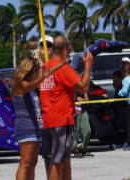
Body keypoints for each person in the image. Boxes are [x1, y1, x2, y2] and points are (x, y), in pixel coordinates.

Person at [38, 35, 93, 180]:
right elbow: (83, 87)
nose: (69, 53)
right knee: (57, 161)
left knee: (62, 159)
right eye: (69, 50)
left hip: (48, 120)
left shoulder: (45, 68)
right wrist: (88, 65)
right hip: (61, 120)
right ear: (64, 50)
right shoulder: (63, 68)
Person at [11, 57, 66, 180]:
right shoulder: (21, 84)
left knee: (33, 162)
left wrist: (61, 64)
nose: (38, 72)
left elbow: (47, 72)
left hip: (35, 127)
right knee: (25, 163)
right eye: (37, 69)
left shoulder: (29, 85)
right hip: (26, 127)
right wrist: (44, 77)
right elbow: (30, 85)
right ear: (31, 70)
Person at [110, 57, 130, 150]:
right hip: (119, 101)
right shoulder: (117, 74)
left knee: (128, 121)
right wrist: (123, 77)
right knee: (118, 122)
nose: (124, 66)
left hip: (129, 100)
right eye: (123, 63)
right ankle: (113, 141)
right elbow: (115, 85)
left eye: (126, 64)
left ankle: (127, 141)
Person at [71, 90, 92, 158]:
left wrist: (85, 92)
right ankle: (75, 149)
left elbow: (87, 100)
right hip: (74, 111)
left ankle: (84, 149)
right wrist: (77, 99)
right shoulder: (73, 86)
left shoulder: (83, 89)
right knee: (75, 131)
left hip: (83, 111)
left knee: (87, 130)